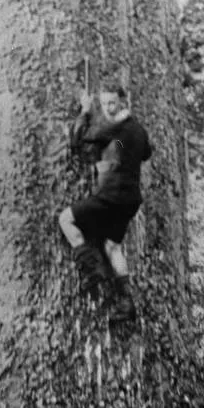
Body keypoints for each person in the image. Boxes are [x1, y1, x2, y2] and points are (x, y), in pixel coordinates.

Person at [58, 84, 152, 324]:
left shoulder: (113, 127)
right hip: (130, 200)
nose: (108, 108)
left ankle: (92, 269)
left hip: (111, 196)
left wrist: (86, 111)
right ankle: (126, 301)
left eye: (112, 103)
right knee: (112, 246)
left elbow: (79, 138)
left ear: (122, 100)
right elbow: (145, 154)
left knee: (65, 219)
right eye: (104, 103)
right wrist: (119, 147)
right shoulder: (137, 129)